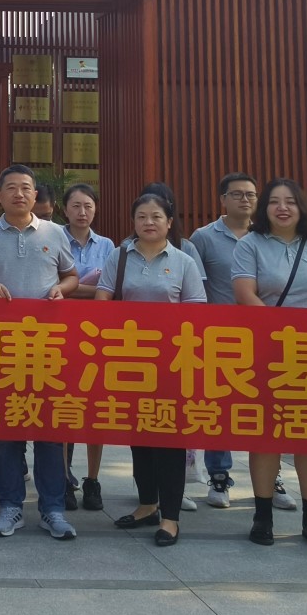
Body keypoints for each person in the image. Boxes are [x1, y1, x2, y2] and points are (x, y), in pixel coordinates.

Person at [233, 177, 307, 550]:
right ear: (264, 208)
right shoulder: (250, 244)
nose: (282, 208)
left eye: (290, 201)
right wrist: (281, 332)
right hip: (268, 353)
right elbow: (245, 293)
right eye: (274, 201)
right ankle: (262, 515)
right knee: (266, 435)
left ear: (302, 207)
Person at [0, 164, 80, 540]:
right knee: (6, 430)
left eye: (25, 188)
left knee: (50, 432)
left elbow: (72, 276)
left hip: (47, 348)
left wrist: (62, 289)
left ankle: (53, 509)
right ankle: (10, 506)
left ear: (35, 195)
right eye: (11, 188)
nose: (19, 194)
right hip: (2, 348)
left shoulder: (55, 232)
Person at [97, 192, 207, 546]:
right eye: (142, 216)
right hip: (129, 360)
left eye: (156, 216)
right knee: (140, 437)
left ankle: (171, 518)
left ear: (169, 222)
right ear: (133, 222)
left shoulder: (184, 260)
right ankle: (147, 505)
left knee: (170, 440)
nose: (149, 222)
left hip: (172, 363)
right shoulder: (119, 257)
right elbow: (103, 301)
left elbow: (196, 311)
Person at [188, 173, 261, 510]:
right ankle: (219, 476)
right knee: (219, 408)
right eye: (237, 194)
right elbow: (195, 286)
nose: (245, 200)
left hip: (262, 334)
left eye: (250, 194)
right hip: (219, 337)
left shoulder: (266, 236)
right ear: (222, 200)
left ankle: (271, 477)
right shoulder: (203, 237)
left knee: (263, 407)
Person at [60, 183, 117, 511]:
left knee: (96, 409)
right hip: (61, 332)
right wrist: (91, 287)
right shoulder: (54, 239)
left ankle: (92, 479)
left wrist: (73, 287)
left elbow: (110, 289)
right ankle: (64, 477)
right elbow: (53, 286)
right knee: (65, 407)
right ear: (65, 209)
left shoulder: (108, 245)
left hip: (97, 335)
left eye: (88, 206)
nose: (82, 212)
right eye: (76, 206)